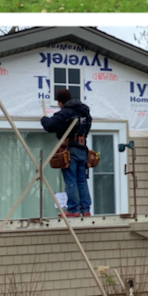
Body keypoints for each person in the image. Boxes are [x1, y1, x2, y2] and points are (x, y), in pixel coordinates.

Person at [41, 88, 93, 218]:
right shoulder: (85, 114)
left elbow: (50, 126)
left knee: (71, 180)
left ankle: (73, 210)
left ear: (59, 102)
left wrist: (43, 119)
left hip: (70, 150)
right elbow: (86, 129)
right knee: (82, 180)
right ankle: (85, 210)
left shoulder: (65, 113)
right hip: (82, 149)